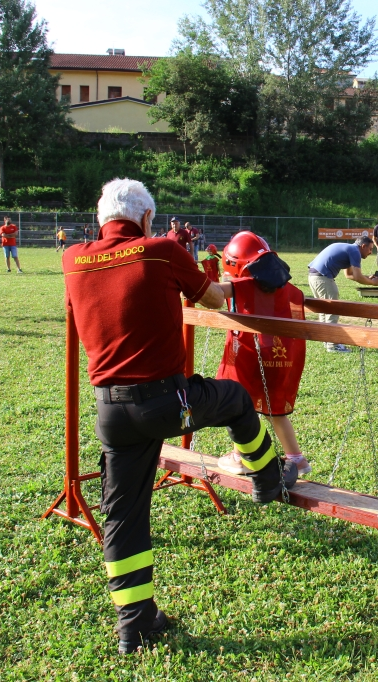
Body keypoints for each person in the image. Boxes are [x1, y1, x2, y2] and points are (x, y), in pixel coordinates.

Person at [62, 179, 297, 655]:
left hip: (109, 408)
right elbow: (212, 299)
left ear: (99, 214)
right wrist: (238, 283)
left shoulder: (73, 259)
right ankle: (268, 479)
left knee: (124, 516)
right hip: (166, 401)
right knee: (236, 399)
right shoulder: (163, 250)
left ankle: (135, 625)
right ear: (147, 218)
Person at [213, 232, 312, 476]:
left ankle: (240, 455)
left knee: (237, 407)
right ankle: (297, 459)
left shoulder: (242, 285)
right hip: (279, 357)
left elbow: (214, 293)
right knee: (274, 412)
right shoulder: (291, 290)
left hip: (249, 358)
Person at [307, 236, 378, 352]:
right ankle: (332, 345)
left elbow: (349, 275)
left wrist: (367, 278)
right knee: (333, 310)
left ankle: (326, 340)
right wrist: (373, 283)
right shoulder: (355, 252)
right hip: (323, 278)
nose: (371, 252)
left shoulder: (350, 249)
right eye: (370, 249)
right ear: (363, 246)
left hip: (313, 276)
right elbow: (356, 276)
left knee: (324, 310)